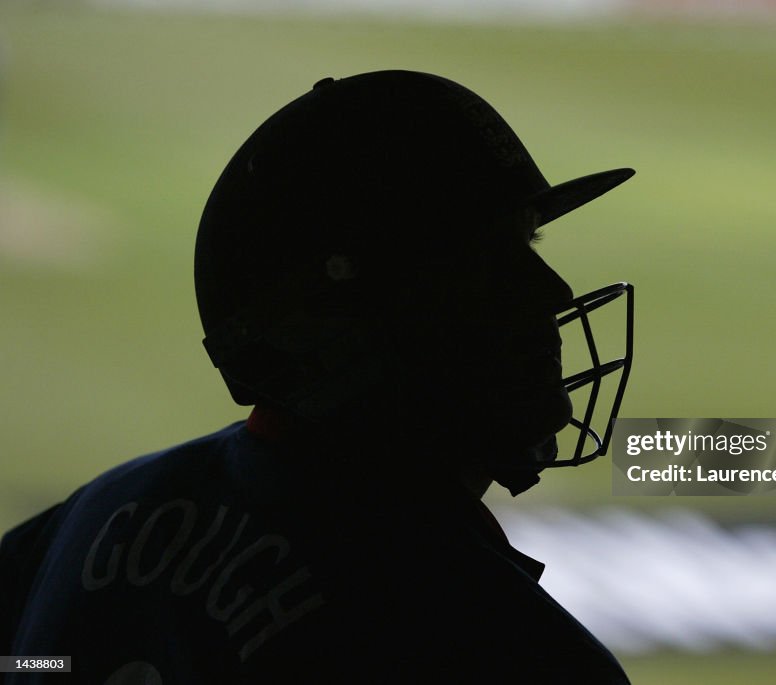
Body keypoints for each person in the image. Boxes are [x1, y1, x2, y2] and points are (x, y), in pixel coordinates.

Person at [0, 70, 635, 683]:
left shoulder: (87, 519)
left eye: (530, 248)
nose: (550, 292)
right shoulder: (506, 647)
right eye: (483, 266)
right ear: (332, 321)